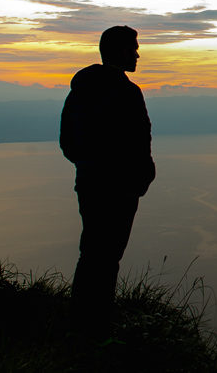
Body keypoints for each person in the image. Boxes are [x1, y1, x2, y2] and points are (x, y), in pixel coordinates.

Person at [60, 25, 155, 327]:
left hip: (94, 185)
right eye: (133, 48)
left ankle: (87, 320)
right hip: (118, 189)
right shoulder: (126, 93)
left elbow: (70, 142)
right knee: (104, 255)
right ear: (117, 51)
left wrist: (91, 168)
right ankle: (93, 325)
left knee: (95, 253)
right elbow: (136, 143)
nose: (138, 54)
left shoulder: (83, 89)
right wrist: (128, 176)